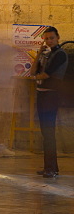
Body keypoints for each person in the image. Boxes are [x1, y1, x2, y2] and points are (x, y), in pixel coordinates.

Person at [32, 26, 68, 178]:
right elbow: (34, 71)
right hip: (42, 96)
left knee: (49, 132)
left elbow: (45, 75)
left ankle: (51, 169)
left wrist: (35, 78)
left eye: (52, 38)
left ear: (57, 38)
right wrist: (39, 53)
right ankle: (50, 167)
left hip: (51, 97)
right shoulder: (46, 54)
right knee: (45, 132)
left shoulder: (60, 54)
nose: (49, 41)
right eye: (46, 39)